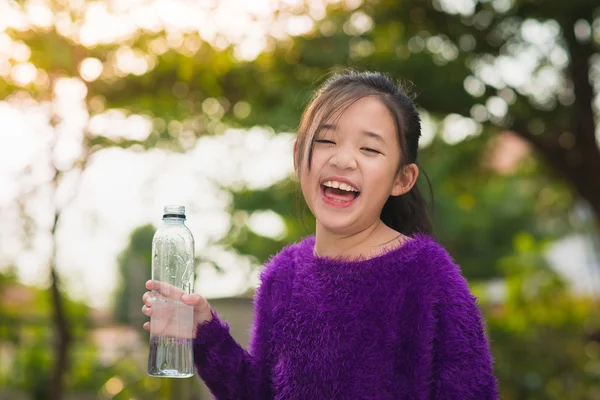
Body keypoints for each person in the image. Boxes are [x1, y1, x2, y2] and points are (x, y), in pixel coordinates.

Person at [141, 70, 499, 399]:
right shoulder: (283, 275)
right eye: (327, 140)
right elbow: (261, 393)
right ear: (299, 157)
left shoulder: (428, 274)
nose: (343, 159)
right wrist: (204, 332)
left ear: (401, 179)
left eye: (370, 149)